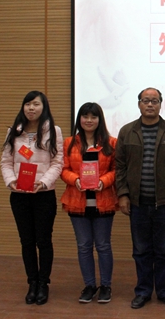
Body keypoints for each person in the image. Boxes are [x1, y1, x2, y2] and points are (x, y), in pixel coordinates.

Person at [115, 87, 165, 309]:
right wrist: (123, 194)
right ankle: (143, 291)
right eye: (145, 100)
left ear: (160, 104)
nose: (150, 104)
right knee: (141, 251)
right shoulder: (127, 131)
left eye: (154, 101)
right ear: (139, 104)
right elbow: (120, 167)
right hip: (137, 203)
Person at [0, 90, 63, 305]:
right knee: (26, 241)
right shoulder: (14, 132)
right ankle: (32, 282)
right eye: (28, 104)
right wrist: (11, 181)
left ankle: (43, 283)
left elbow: (58, 162)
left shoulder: (53, 131)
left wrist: (43, 182)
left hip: (43, 194)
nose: (31, 108)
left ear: (43, 107)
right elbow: (6, 162)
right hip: (19, 195)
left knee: (43, 240)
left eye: (36, 104)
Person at [60, 102, 118, 304]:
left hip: (104, 201)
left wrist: (104, 181)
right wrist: (75, 180)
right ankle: (89, 285)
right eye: (85, 116)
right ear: (79, 119)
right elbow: (63, 169)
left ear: (100, 120)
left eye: (93, 117)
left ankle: (106, 286)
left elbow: (116, 170)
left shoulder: (111, 143)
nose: (89, 120)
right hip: (77, 201)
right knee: (84, 246)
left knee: (103, 245)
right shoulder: (69, 143)